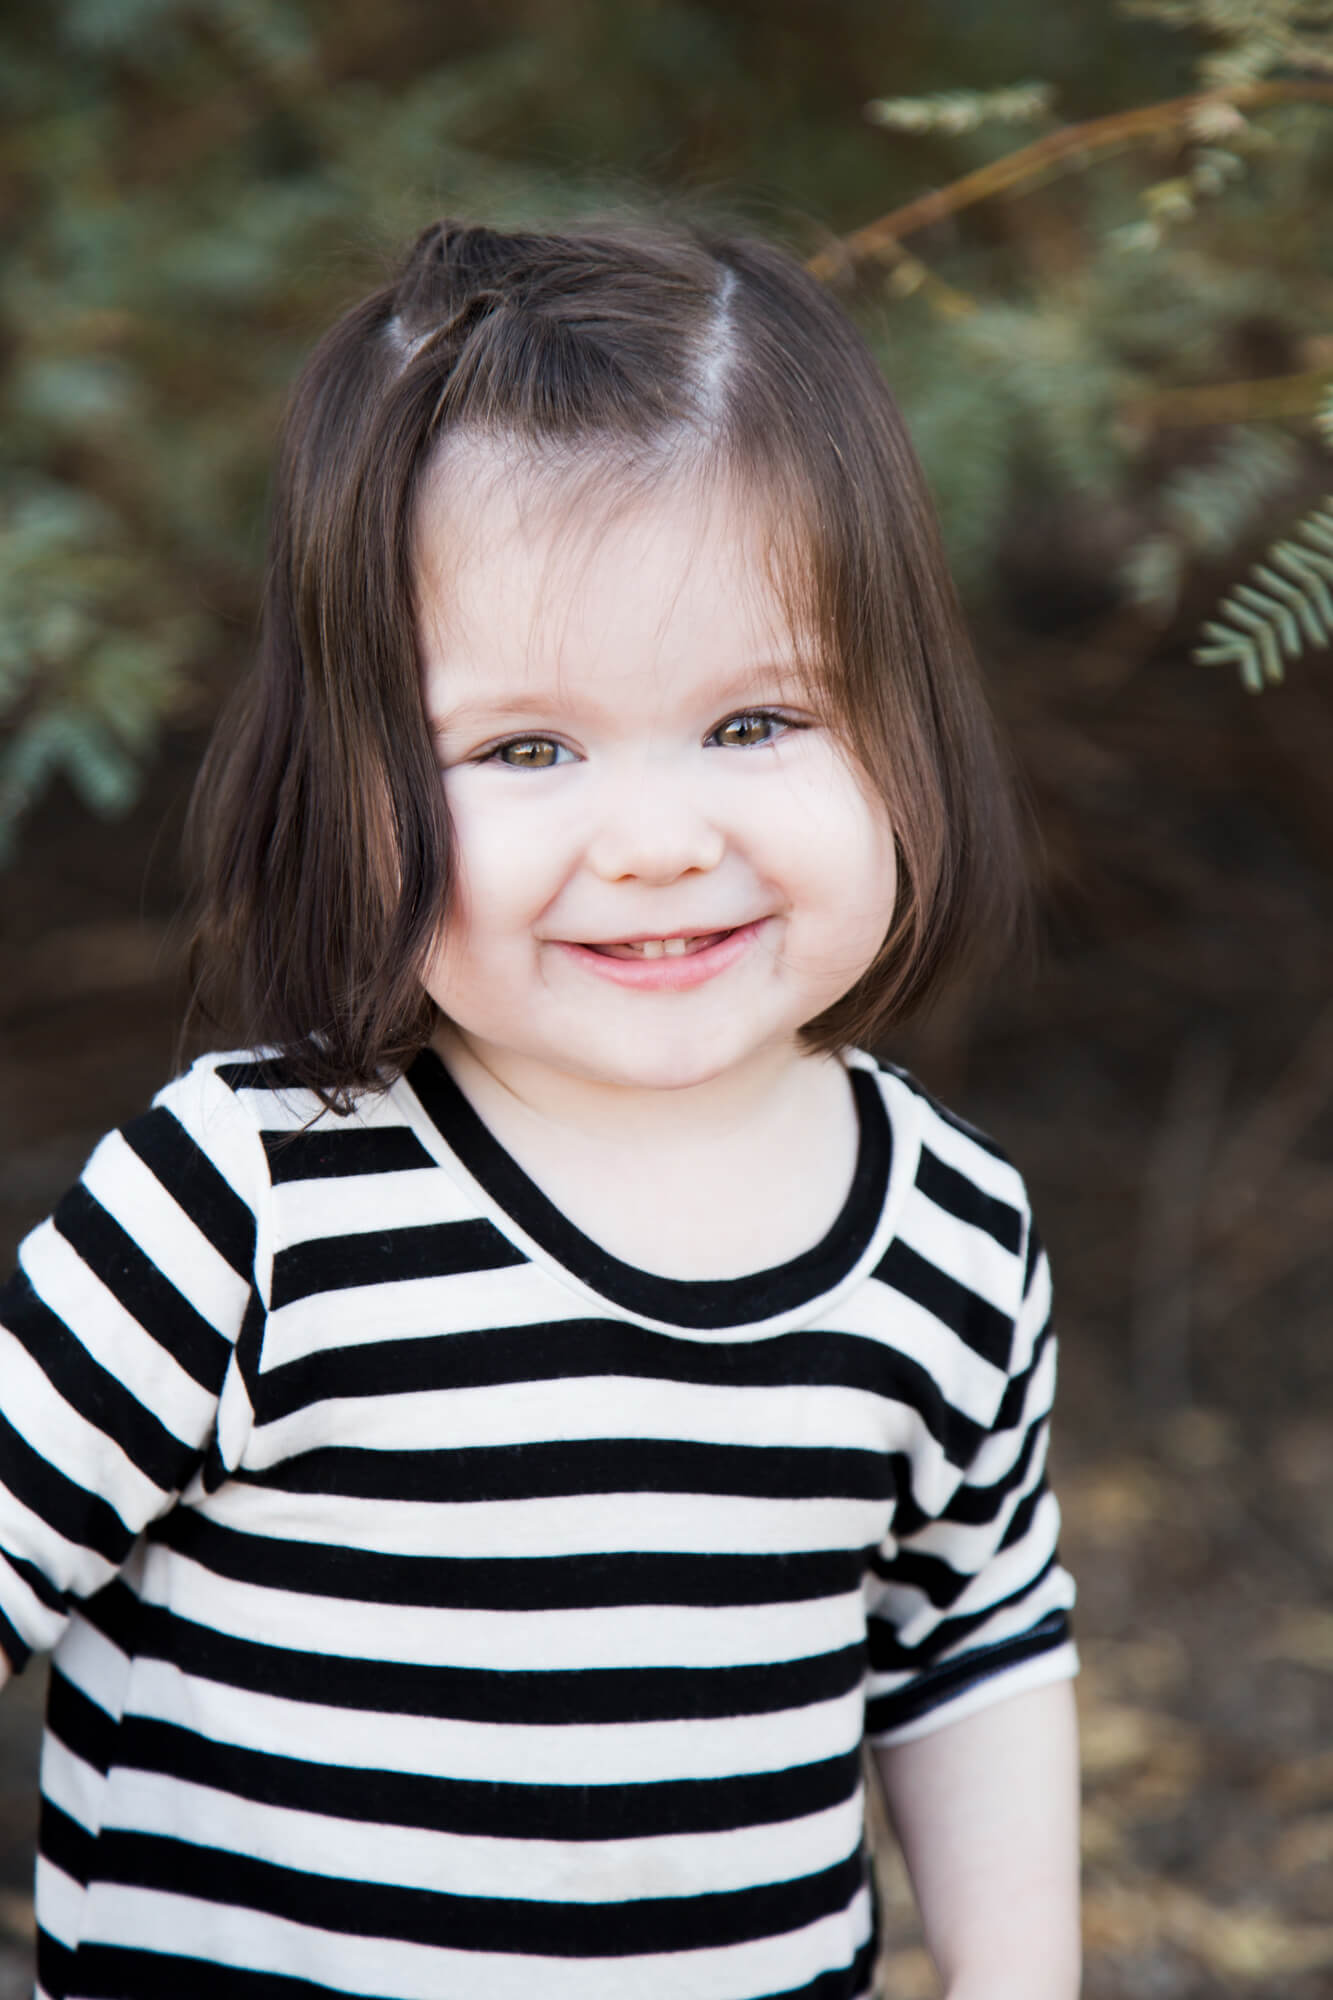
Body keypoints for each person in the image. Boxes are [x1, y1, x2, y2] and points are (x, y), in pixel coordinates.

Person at [0, 216, 1080, 2000]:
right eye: (525, 751)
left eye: (754, 721)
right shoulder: (251, 1202)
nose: (655, 840)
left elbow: (973, 1639)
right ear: (344, 786)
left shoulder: (949, 1233)